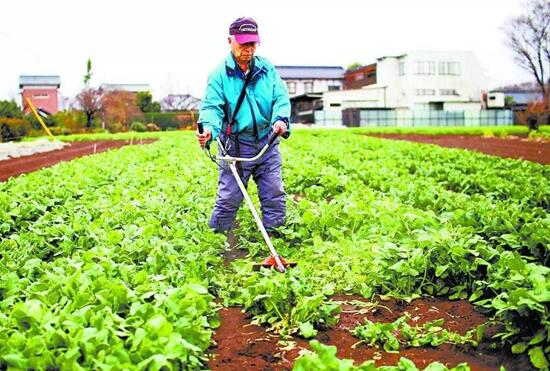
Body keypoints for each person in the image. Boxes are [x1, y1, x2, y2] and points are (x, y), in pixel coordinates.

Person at [196, 16, 291, 234]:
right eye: (244, 43)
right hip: (235, 146)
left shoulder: (266, 69)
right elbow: (211, 107)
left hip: (267, 142)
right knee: (229, 196)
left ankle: (276, 237)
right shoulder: (219, 75)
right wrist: (208, 129)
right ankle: (215, 242)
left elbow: (280, 98)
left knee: (274, 192)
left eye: (253, 43)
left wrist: (280, 119)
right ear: (230, 41)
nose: (249, 49)